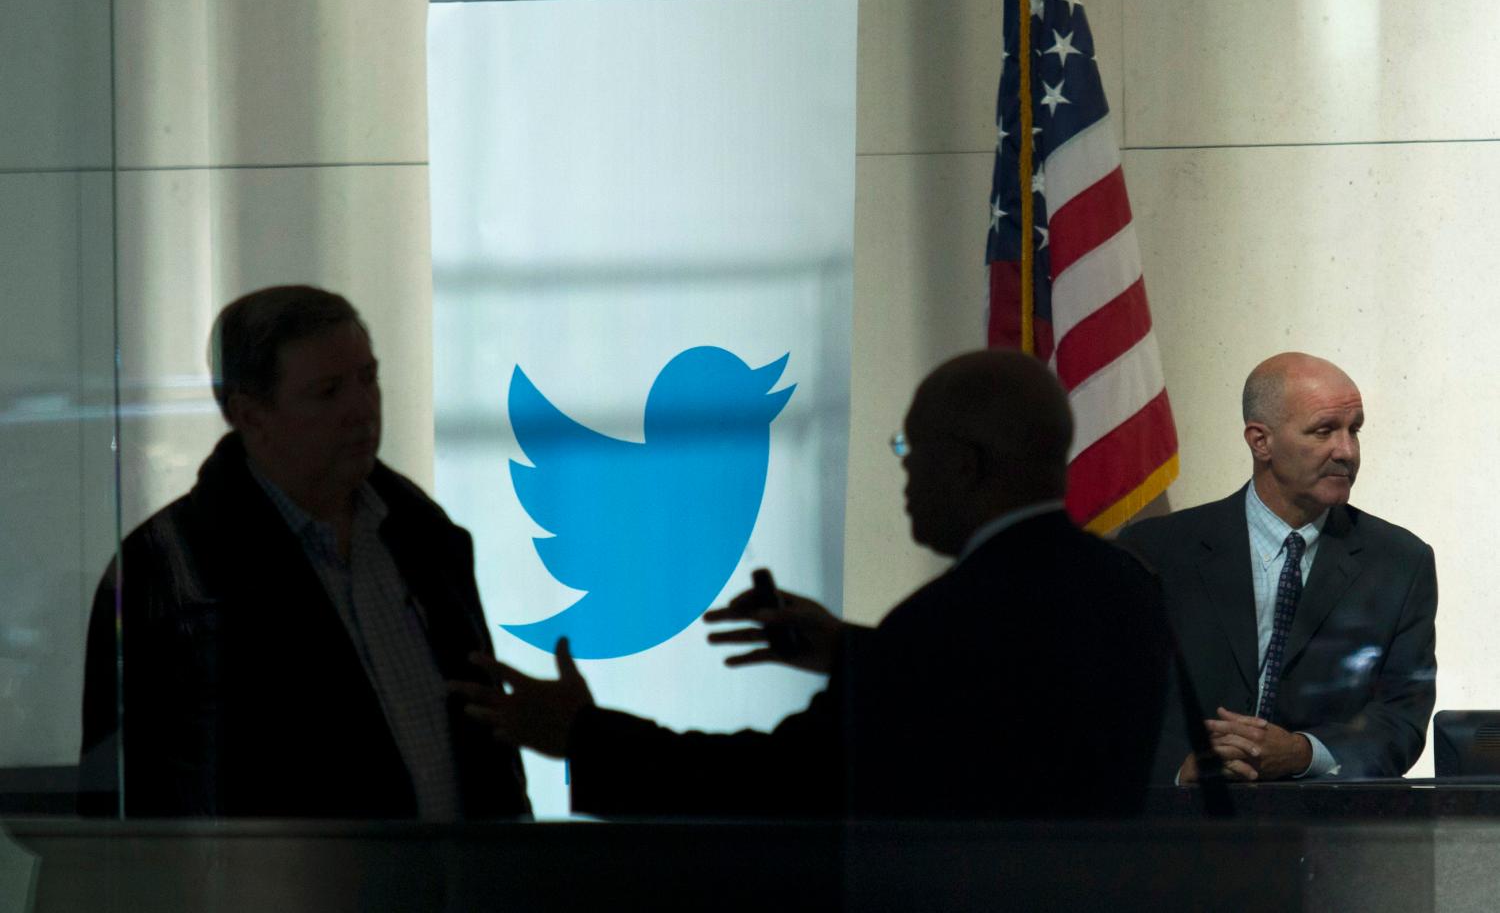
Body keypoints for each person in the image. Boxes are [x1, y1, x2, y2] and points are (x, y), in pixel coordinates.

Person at [452, 349, 1174, 819]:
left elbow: (777, 784)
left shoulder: (939, 627)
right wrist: (851, 652)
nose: (903, 469)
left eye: (910, 447)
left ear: (964, 465)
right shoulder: (1130, 590)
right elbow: (997, 704)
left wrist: (586, 736)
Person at [79, 285, 530, 819]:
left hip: (460, 872)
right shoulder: (166, 571)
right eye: (328, 391)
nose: (362, 409)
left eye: (368, 378)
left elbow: (489, 755)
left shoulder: (424, 535)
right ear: (250, 415)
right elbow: (140, 803)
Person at [1120, 352, 1437, 784]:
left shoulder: (1401, 562)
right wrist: (1181, 771)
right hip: (1181, 817)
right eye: (1324, 430)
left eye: (1354, 430)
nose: (1346, 451)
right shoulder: (1156, 551)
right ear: (1260, 441)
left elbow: (1401, 718)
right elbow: (1108, 702)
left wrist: (1304, 753)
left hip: (1324, 818)